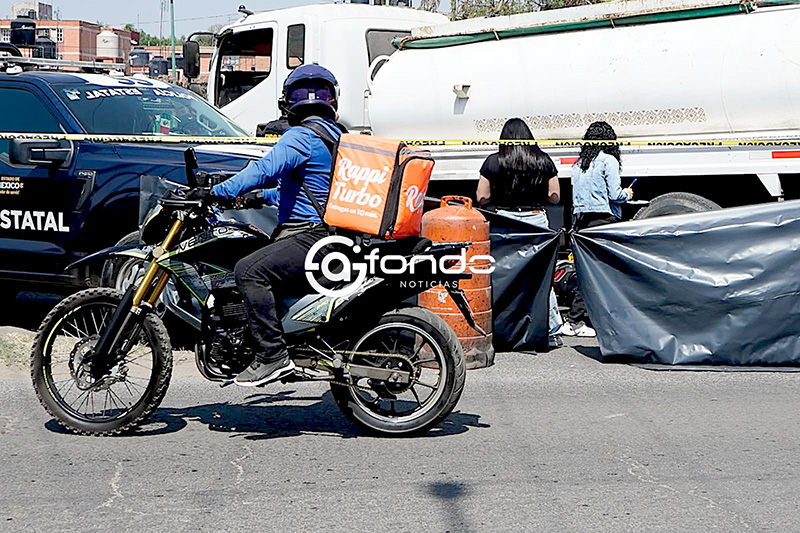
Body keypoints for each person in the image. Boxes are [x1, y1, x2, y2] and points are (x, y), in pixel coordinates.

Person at [193, 65, 342, 387]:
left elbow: (265, 168)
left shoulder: (300, 136)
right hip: (329, 234)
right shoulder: (334, 136)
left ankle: (272, 355)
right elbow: (309, 187)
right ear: (333, 101)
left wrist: (218, 191)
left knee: (248, 270)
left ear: (287, 103)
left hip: (310, 236)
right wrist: (259, 198)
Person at [476, 118, 565, 349]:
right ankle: (553, 330)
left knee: (502, 274)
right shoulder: (543, 160)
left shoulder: (494, 162)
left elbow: (481, 197)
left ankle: (498, 328)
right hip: (536, 220)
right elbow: (555, 196)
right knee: (541, 276)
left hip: (504, 222)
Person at [560, 120, 633, 337]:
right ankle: (575, 320)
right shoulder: (608, 161)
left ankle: (580, 319)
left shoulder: (578, 164)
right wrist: (627, 195)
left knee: (587, 271)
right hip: (603, 220)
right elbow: (614, 195)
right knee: (603, 271)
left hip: (582, 222)